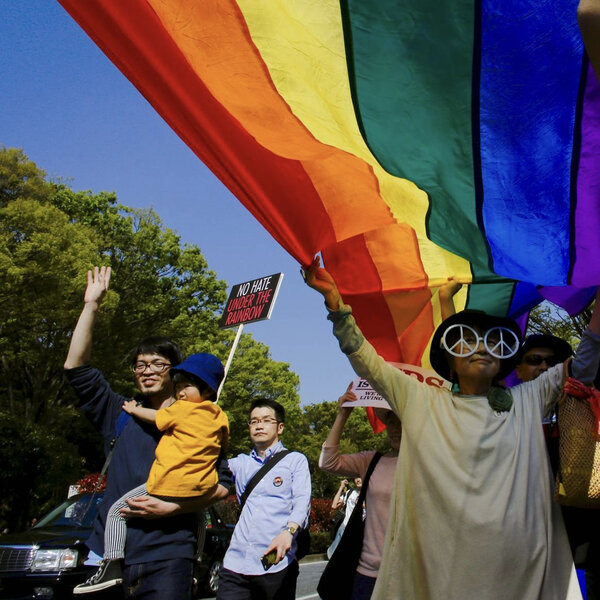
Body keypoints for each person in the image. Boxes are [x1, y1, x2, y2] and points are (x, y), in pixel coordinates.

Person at [304, 256, 600, 600]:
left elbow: (584, 363)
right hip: (442, 573)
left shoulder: (528, 399)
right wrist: (336, 306)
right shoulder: (423, 401)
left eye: (493, 341)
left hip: (520, 575)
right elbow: (367, 361)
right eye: (466, 340)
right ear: (449, 358)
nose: (481, 349)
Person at [64, 266, 232, 600]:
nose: (148, 371)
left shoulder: (200, 420)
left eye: (158, 364)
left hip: (169, 554)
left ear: (177, 373)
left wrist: (175, 508)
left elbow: (222, 484)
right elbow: (76, 368)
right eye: (141, 365)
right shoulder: (121, 411)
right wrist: (91, 306)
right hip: (110, 555)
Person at [74, 352, 229, 594]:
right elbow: (221, 451)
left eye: (186, 387)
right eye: (178, 387)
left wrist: (133, 409)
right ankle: (196, 561)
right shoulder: (219, 417)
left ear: (207, 390)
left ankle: (112, 563)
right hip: (201, 484)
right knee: (199, 518)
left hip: (168, 481)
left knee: (117, 511)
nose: (181, 392)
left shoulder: (182, 409)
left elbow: (156, 417)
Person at [216, 398, 311, 600]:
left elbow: (302, 502)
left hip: (276, 563)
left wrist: (289, 532)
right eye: (254, 421)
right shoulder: (239, 463)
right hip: (235, 564)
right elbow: (207, 469)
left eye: (266, 420)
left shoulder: (295, 460)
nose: (259, 425)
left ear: (280, 427)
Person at [319, 383, 400, 599]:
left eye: (401, 420)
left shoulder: (430, 463)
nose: (395, 428)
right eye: (390, 420)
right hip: (368, 572)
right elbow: (328, 463)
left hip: (410, 573)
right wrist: (343, 415)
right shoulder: (371, 461)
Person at [327, 475, 362, 559]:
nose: (358, 480)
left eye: (360, 477)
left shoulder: (370, 493)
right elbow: (334, 505)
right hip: (345, 527)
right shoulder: (349, 492)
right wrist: (341, 487)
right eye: (356, 478)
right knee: (334, 554)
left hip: (360, 530)